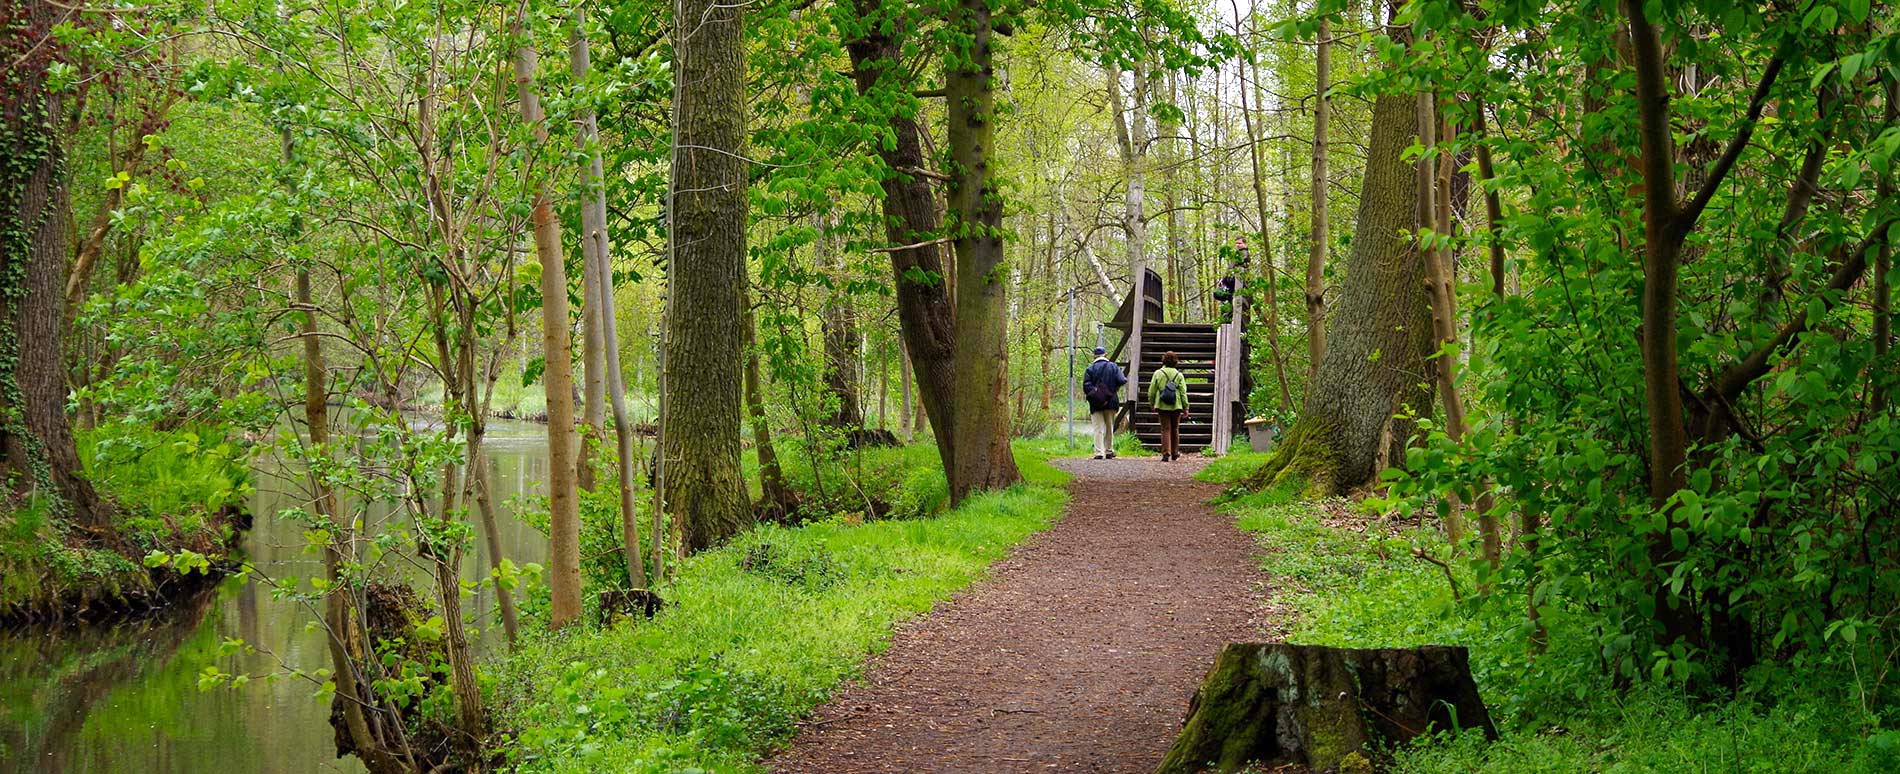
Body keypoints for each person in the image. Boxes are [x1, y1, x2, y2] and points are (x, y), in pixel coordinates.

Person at [1081, 346, 1127, 459]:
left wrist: (1097, 394)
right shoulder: (1113, 366)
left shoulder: (1090, 369)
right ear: (1105, 354)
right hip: (1111, 401)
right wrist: (1112, 389)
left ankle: (1099, 452)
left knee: (1098, 428)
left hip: (1096, 403)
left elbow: (1086, 386)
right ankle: (1108, 451)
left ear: (1094, 356)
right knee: (1109, 427)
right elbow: (1122, 380)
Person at [1148, 351, 1190, 461]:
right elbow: (1183, 392)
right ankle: (1175, 452)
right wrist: (1185, 407)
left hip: (1162, 404)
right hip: (1176, 405)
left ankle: (1166, 453)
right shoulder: (1179, 375)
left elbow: (1152, 390)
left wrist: (1152, 403)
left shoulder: (1158, 373)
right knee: (1175, 428)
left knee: (1165, 429)